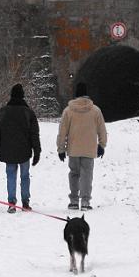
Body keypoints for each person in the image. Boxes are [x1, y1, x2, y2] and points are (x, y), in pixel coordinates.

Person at [56, 82, 108, 211]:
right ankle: (85, 201)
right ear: (87, 94)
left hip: (73, 149)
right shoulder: (95, 110)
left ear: (76, 94)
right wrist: (102, 145)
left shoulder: (68, 111)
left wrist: (61, 149)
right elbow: (102, 129)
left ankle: (74, 200)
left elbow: (62, 131)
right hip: (89, 149)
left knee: (74, 174)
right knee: (87, 174)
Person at [0, 83, 41, 213]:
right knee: (25, 176)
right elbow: (34, 134)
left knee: (11, 176)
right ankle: (25, 203)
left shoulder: (3, 112)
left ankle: (11, 203)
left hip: (8, 151)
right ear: (23, 96)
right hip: (24, 151)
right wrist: (37, 151)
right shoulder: (28, 112)